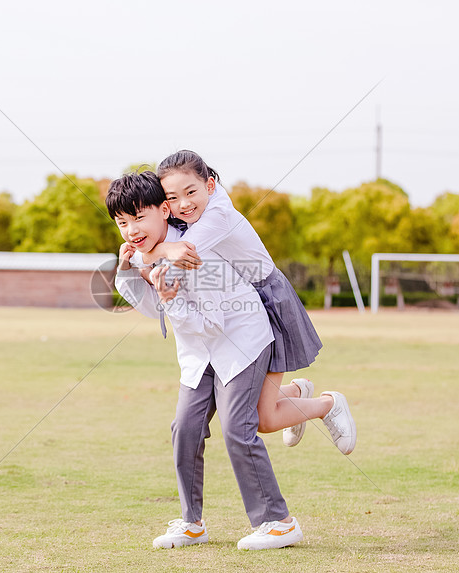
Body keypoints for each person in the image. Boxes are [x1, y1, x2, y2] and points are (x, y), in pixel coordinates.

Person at [108, 170, 336, 550]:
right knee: (185, 428)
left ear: (164, 211)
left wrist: (172, 299)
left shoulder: (194, 252)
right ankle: (191, 523)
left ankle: (279, 522)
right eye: (122, 222)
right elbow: (152, 309)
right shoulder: (152, 251)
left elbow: (210, 321)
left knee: (238, 428)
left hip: (240, 340)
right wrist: (128, 270)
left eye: (139, 217)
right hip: (200, 352)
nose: (131, 229)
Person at [137, 150, 356, 453]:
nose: (183, 204)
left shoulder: (217, 216)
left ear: (210, 186)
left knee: (263, 419)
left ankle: (327, 405)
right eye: (172, 198)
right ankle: (298, 392)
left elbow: (181, 251)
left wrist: (151, 253)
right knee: (261, 416)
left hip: (268, 300)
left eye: (191, 192)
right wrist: (155, 251)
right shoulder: (190, 215)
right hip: (241, 301)